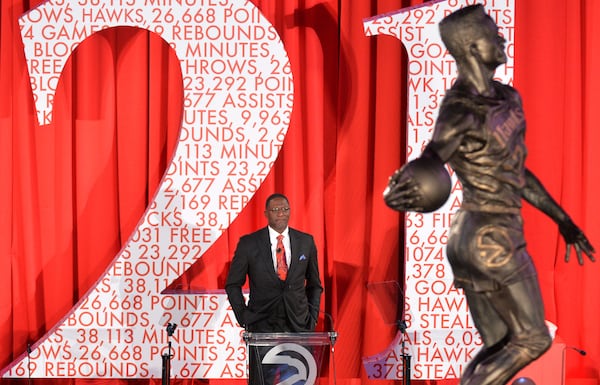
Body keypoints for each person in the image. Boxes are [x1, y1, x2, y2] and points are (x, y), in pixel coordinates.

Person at [383, 4, 595, 385]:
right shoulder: (459, 109)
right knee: (532, 338)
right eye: (492, 34)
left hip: (475, 236)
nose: (501, 38)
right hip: (490, 235)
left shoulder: (509, 98)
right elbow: (434, 155)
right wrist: (403, 189)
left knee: (497, 343)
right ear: (471, 48)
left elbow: (516, 174)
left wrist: (562, 219)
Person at [225, 193, 323, 384]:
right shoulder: (249, 243)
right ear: (266, 213)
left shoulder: (306, 242)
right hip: (262, 327)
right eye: (276, 210)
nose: (281, 214)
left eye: (285, 209)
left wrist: (311, 319)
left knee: (299, 380)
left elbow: (315, 285)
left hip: (298, 327)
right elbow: (232, 284)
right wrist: (243, 316)